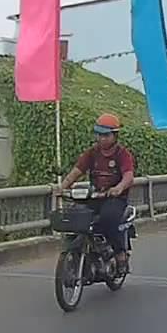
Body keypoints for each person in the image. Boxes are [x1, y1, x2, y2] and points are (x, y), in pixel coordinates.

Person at [56, 113, 136, 271]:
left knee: (108, 218)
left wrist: (119, 188)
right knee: (76, 214)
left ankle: (120, 254)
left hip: (115, 199)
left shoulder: (122, 154)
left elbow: (128, 176)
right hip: (95, 196)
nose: (102, 138)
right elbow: (77, 171)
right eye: (99, 134)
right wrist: (62, 187)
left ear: (115, 136)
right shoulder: (92, 153)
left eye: (106, 135)